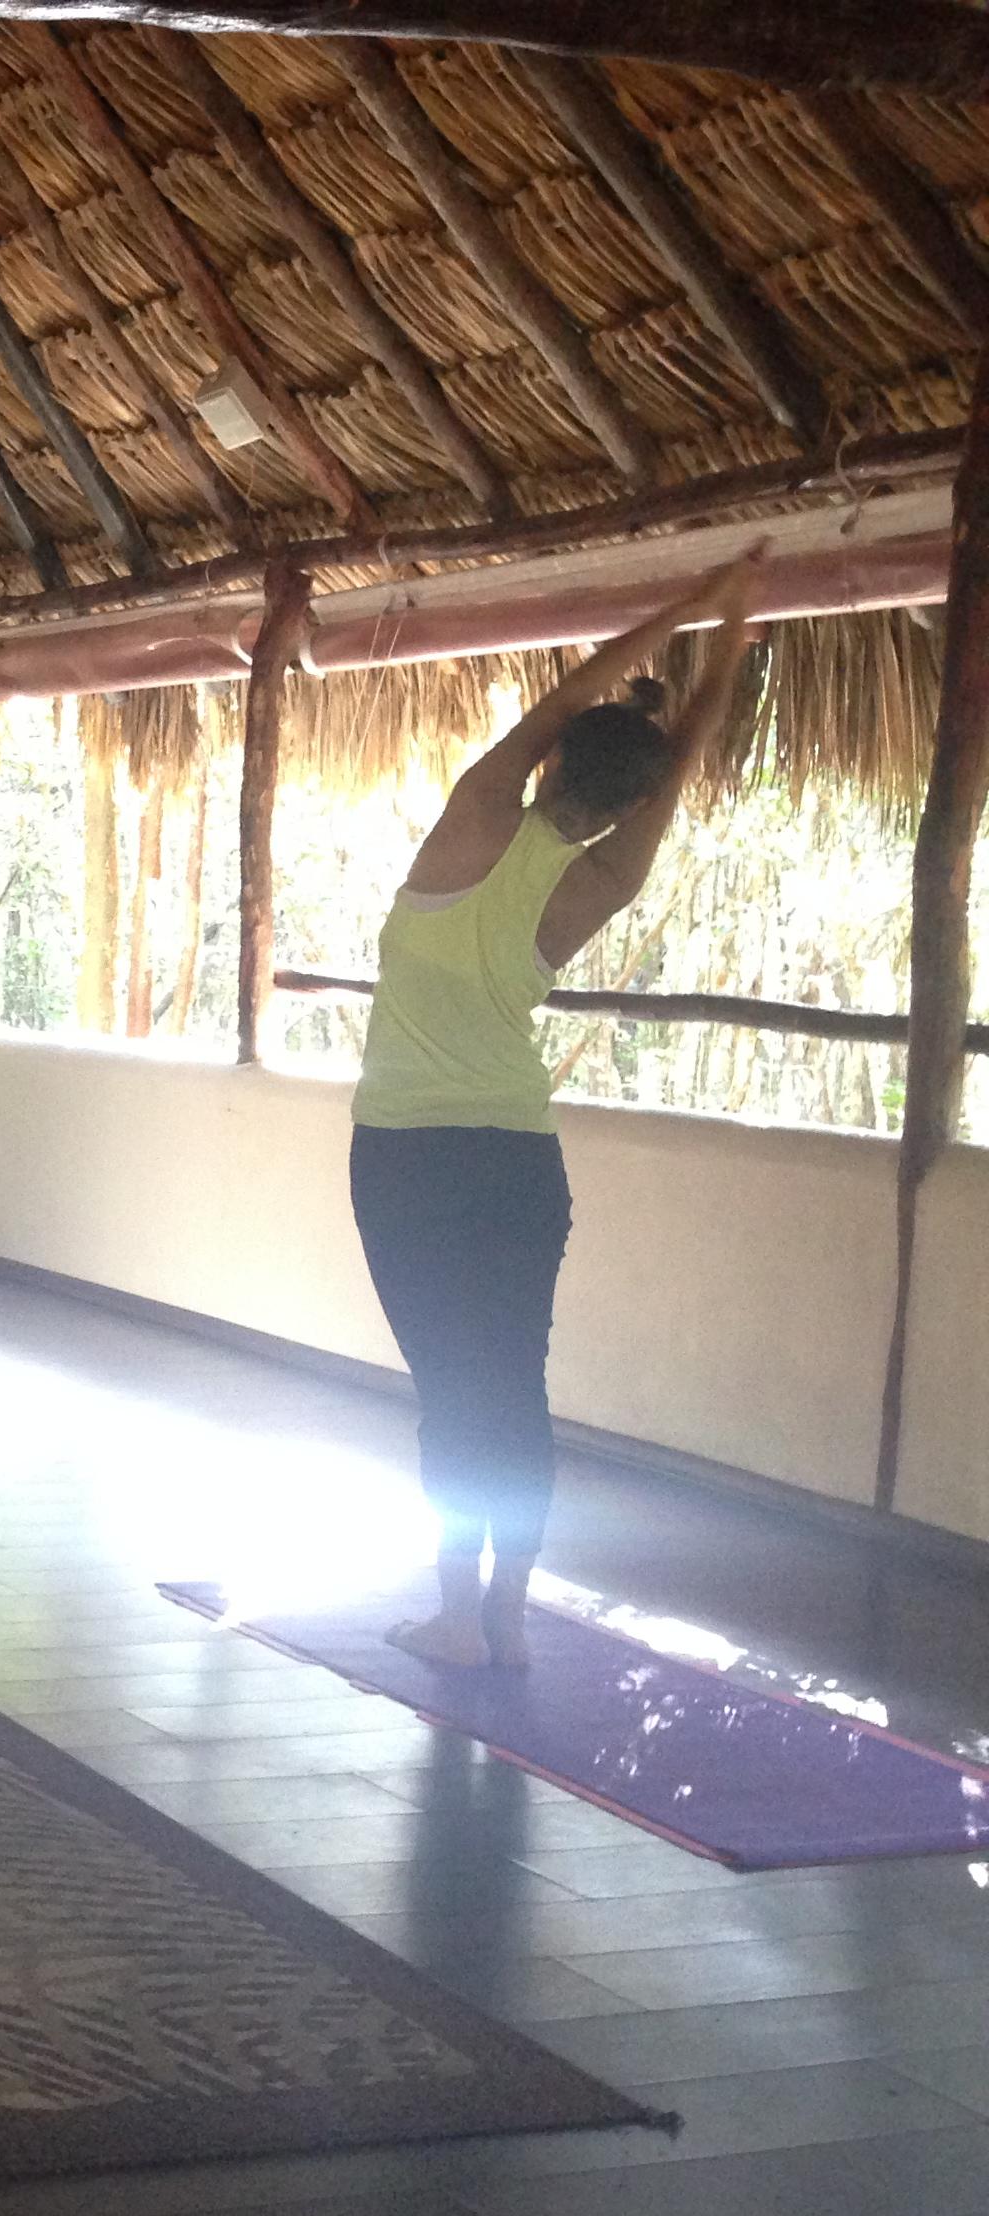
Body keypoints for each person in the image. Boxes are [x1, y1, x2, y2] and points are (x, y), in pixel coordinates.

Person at [353, 547, 762, 1671]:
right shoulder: (602, 882)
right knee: (512, 1383)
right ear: (623, 796)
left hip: (408, 1161)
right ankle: (510, 1621)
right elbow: (673, 769)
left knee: (452, 1391)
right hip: (519, 1164)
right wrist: (727, 650)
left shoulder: (479, 816)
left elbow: (566, 700)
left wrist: (695, 606)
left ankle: (455, 1619)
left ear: (551, 769)